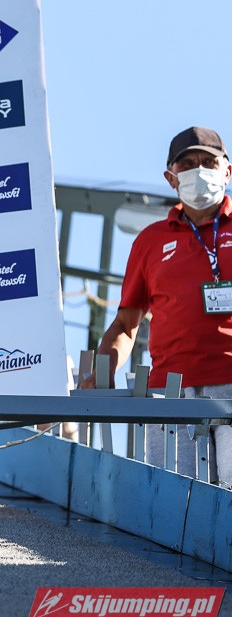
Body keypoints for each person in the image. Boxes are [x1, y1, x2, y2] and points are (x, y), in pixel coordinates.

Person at [86, 126, 232, 487]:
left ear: (227, 171)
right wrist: (103, 371)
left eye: (208, 162)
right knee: (178, 498)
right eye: (188, 164)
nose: (199, 170)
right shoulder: (150, 242)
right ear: (171, 177)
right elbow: (126, 324)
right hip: (170, 391)